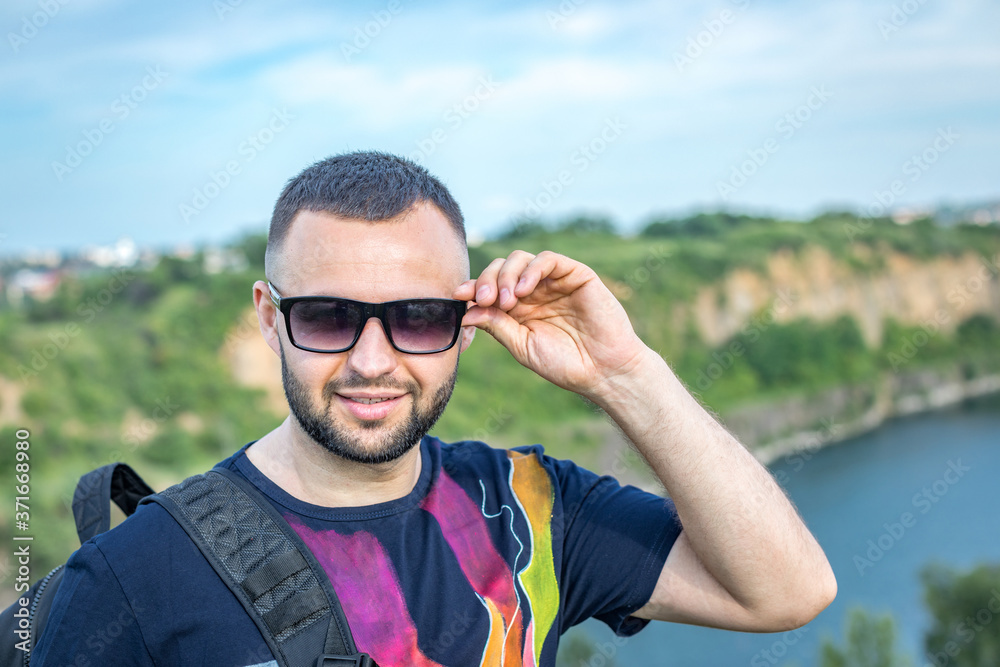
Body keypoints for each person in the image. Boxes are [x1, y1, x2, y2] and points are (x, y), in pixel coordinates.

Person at [33, 151, 836, 666]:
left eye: (417, 317)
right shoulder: (133, 574)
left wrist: (624, 374)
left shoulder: (532, 510)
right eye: (327, 316)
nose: (371, 361)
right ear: (269, 317)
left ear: (467, 321)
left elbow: (785, 591)